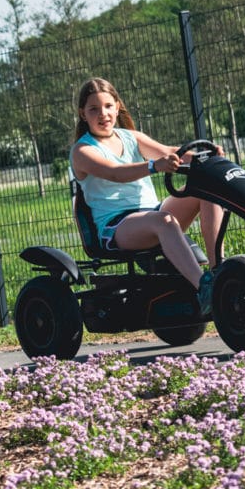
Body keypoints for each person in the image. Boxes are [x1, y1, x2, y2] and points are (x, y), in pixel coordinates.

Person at [71, 77, 224, 316]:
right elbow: (115, 173)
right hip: (117, 225)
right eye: (94, 109)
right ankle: (204, 289)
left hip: (153, 213)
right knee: (163, 221)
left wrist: (207, 157)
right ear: (83, 114)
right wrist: (154, 166)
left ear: (117, 106)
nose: (103, 114)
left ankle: (218, 272)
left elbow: (171, 153)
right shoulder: (82, 151)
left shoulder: (131, 137)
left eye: (108, 106)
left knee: (207, 190)